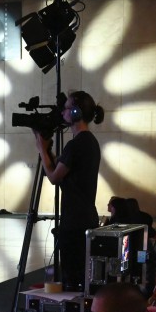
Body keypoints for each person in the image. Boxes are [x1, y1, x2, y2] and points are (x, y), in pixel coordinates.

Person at [35, 91, 105, 292]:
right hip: (85, 218)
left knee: (72, 280)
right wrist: (48, 151)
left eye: (66, 108)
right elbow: (61, 167)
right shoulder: (90, 142)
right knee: (81, 278)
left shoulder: (76, 144)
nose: (62, 112)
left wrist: (42, 148)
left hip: (74, 222)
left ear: (76, 112)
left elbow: (53, 177)